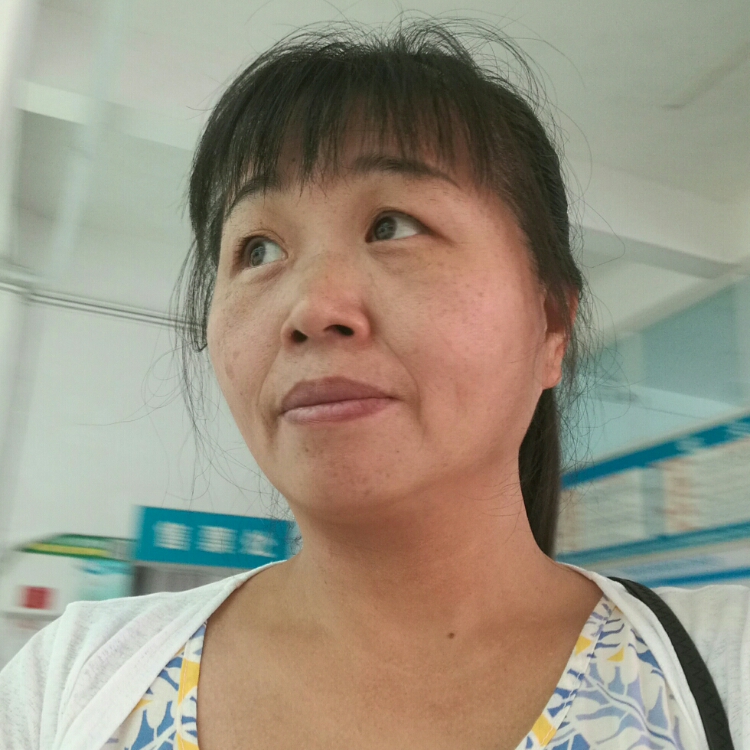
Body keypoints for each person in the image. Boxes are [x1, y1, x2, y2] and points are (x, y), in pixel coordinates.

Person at [0, 20, 747, 750]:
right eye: (258, 249)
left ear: (550, 324)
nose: (312, 309)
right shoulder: (74, 680)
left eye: (392, 225)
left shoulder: (724, 669)